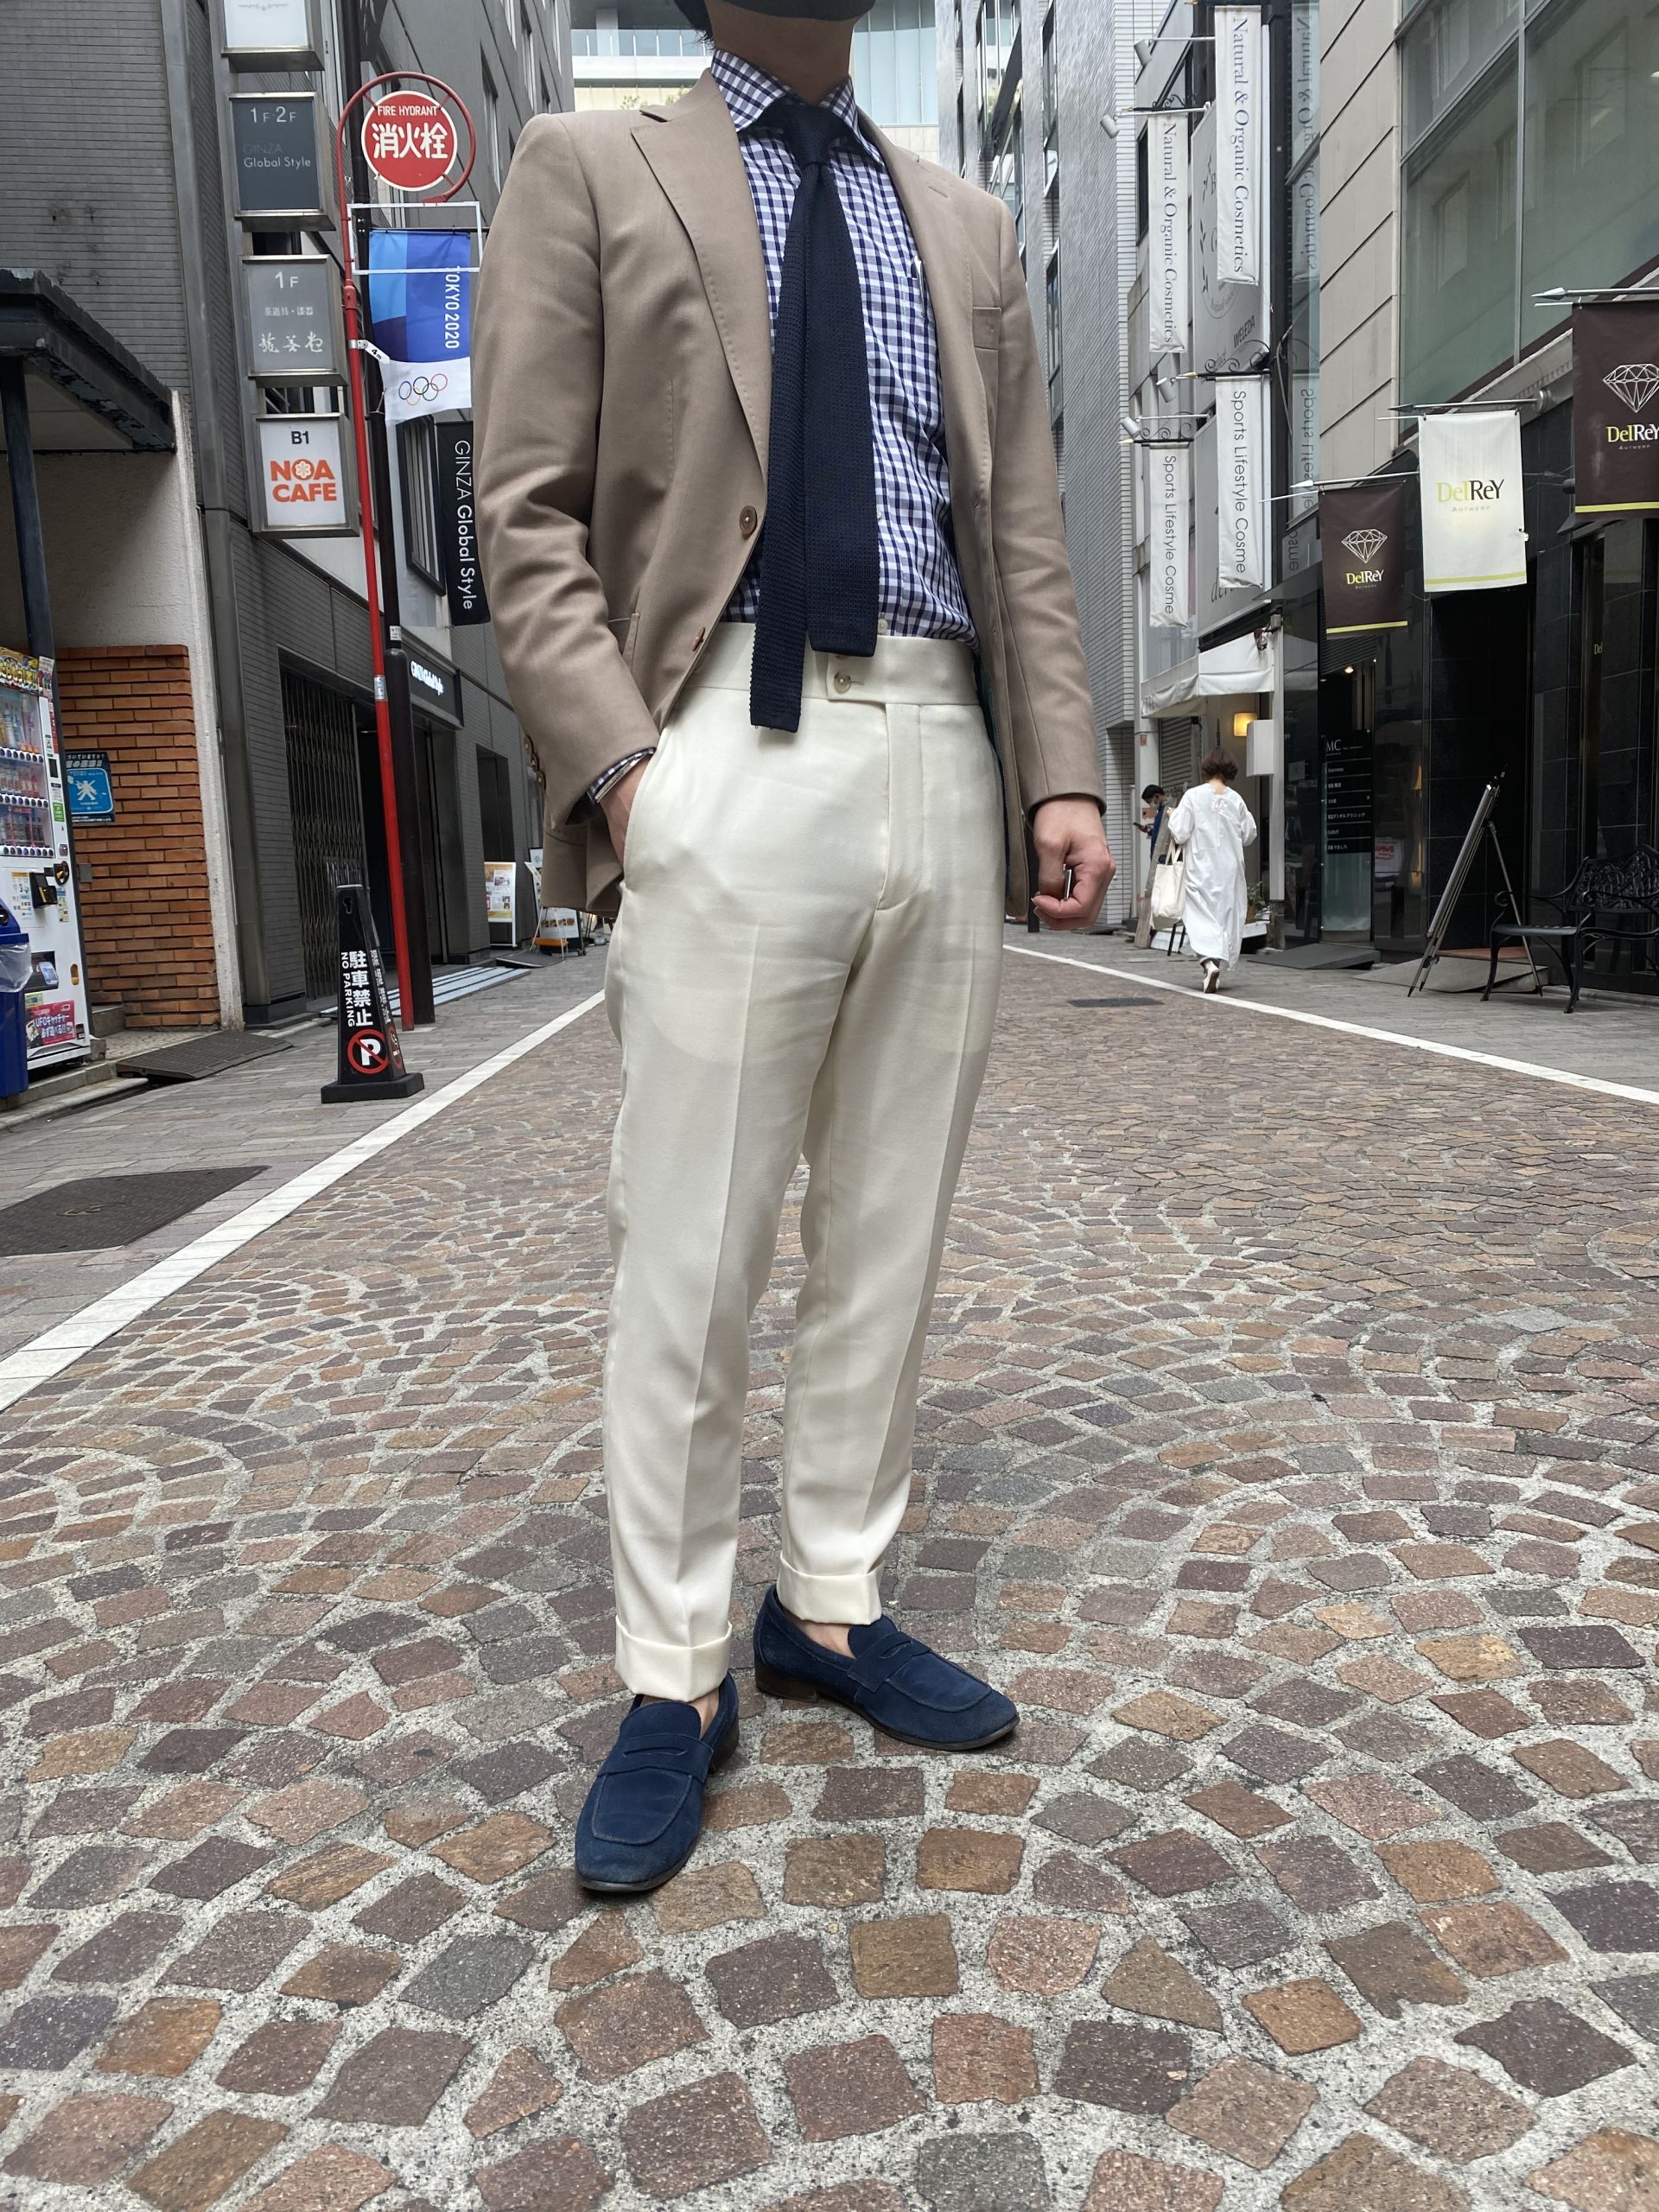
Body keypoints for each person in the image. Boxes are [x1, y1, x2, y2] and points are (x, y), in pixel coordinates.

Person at [474, 0, 1115, 1893]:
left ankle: (828, 1596)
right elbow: (524, 507)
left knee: (889, 1232)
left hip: (940, 738)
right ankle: (672, 1669)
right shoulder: (591, 167)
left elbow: (1021, 526)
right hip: (720, 740)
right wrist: (627, 778)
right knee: (692, 1249)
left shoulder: (962, 220)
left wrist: (1058, 767)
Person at [1166, 750, 1256, 994]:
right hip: (1229, 869)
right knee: (1223, 918)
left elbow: (1181, 832)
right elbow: (1249, 834)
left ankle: (1208, 963)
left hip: (1200, 866)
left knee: (1198, 917)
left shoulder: (1193, 796)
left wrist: (1173, 816)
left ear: (1206, 769)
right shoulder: (1236, 800)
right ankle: (1213, 967)